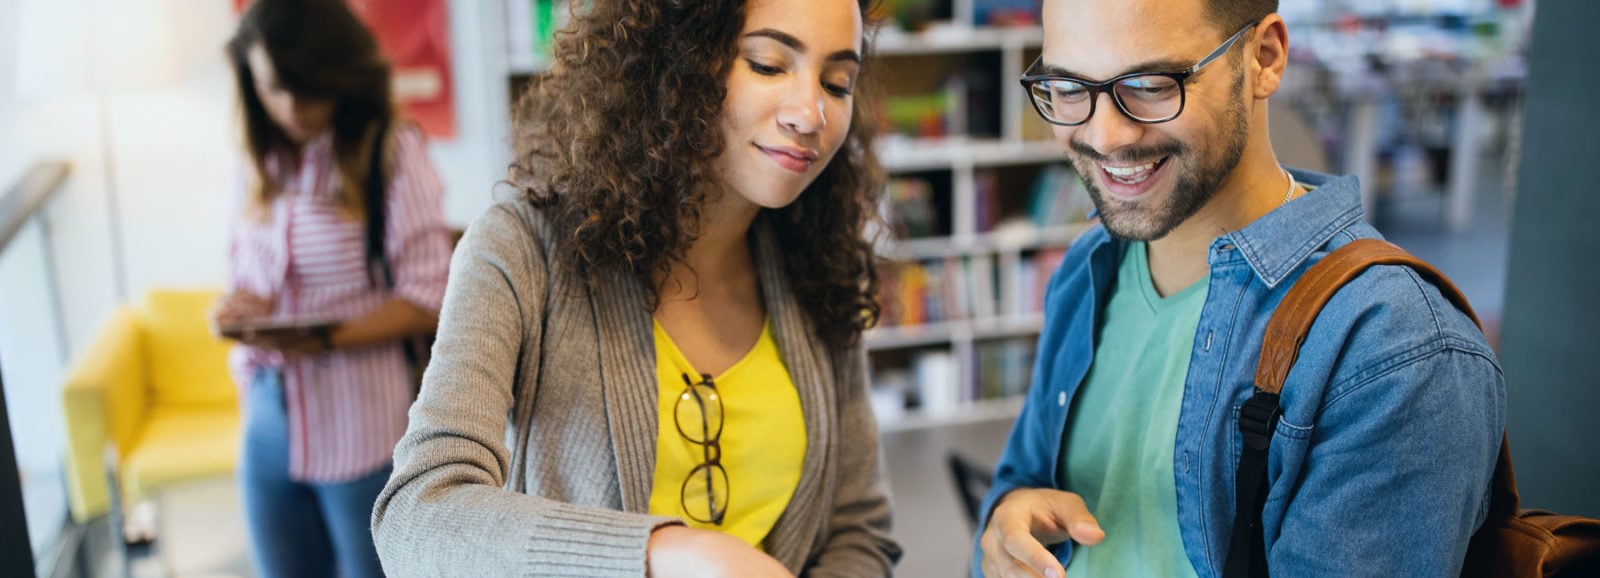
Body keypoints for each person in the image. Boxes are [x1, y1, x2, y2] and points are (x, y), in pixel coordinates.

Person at [973, 0, 1504, 576]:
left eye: (1151, 84)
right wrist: (1008, 522)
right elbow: (1022, 478)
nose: (1104, 137)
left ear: (1265, 57)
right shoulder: (1089, 266)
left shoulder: (1392, 351)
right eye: (1068, 87)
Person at [370, 0, 900, 576]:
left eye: (837, 82)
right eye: (768, 64)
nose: (811, 112)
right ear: (675, 62)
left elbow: (858, 527)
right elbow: (417, 514)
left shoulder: (819, 263)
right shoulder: (522, 248)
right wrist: (666, 553)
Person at [213, 0, 454, 576]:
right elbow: (246, 274)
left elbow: (432, 294)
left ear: (341, 76)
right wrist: (242, 309)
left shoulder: (390, 150)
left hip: (362, 422)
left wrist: (324, 336)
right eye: (274, 89)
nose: (292, 107)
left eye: (308, 89)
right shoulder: (257, 159)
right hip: (268, 414)